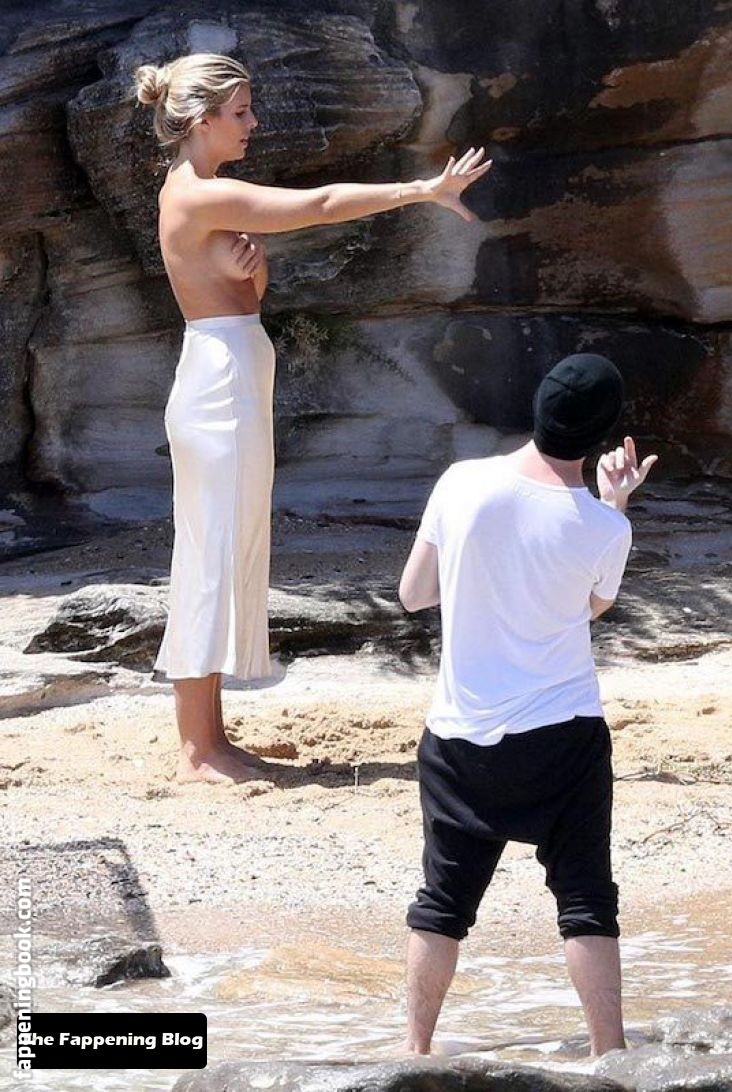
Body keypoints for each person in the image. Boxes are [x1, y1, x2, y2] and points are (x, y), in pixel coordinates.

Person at [134, 52, 492, 784]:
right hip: (218, 387)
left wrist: (252, 269)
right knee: (210, 555)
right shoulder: (202, 194)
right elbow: (322, 204)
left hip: (231, 373)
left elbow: (247, 296)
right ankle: (198, 750)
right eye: (241, 112)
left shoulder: (199, 194)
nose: (253, 123)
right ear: (200, 120)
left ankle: (212, 738)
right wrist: (424, 189)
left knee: (228, 550)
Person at [398, 353, 658, 1056]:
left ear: (537, 407)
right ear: (602, 439)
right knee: (586, 901)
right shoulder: (604, 528)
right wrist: (613, 506)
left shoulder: (459, 483)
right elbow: (591, 608)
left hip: (459, 738)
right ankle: (611, 1060)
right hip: (561, 740)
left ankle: (413, 1057)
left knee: (442, 905)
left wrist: (481, 575)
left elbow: (414, 594)